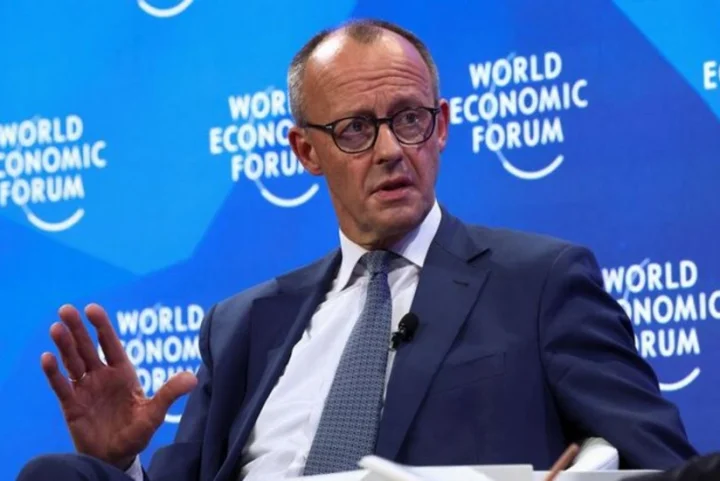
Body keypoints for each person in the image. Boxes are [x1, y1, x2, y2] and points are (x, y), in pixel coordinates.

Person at [18, 18, 697, 481]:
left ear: (441, 127)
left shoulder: (540, 282)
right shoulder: (243, 324)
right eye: (355, 130)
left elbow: (662, 461)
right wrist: (121, 464)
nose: (392, 150)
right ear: (306, 151)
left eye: (410, 119)